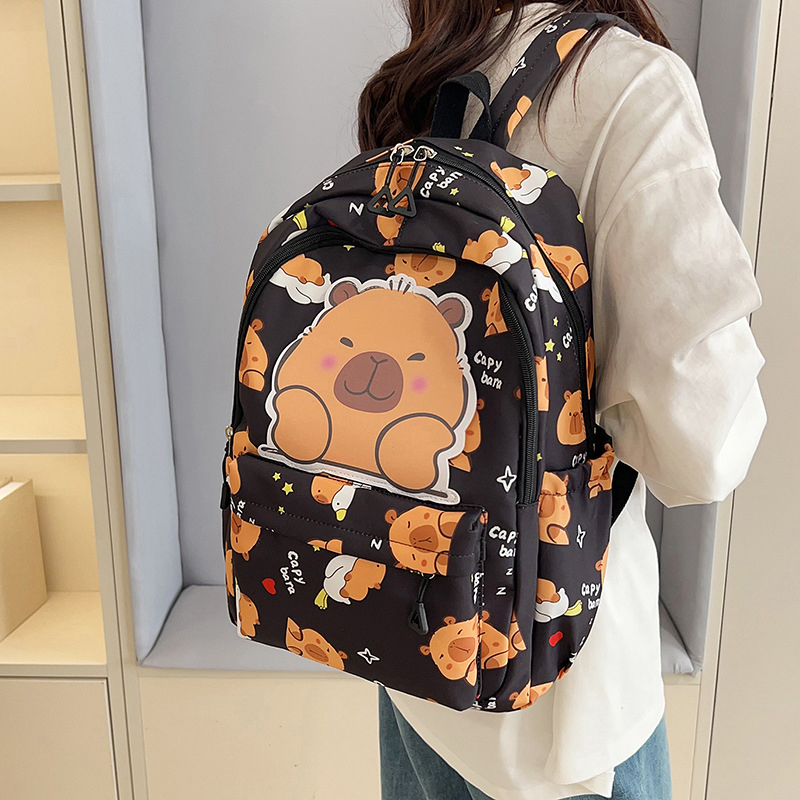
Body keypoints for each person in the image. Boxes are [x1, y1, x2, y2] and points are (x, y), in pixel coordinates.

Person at [357, 2, 767, 799]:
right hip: (560, 708)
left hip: (414, 642)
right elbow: (703, 449)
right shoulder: (627, 88)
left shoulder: (431, 70)